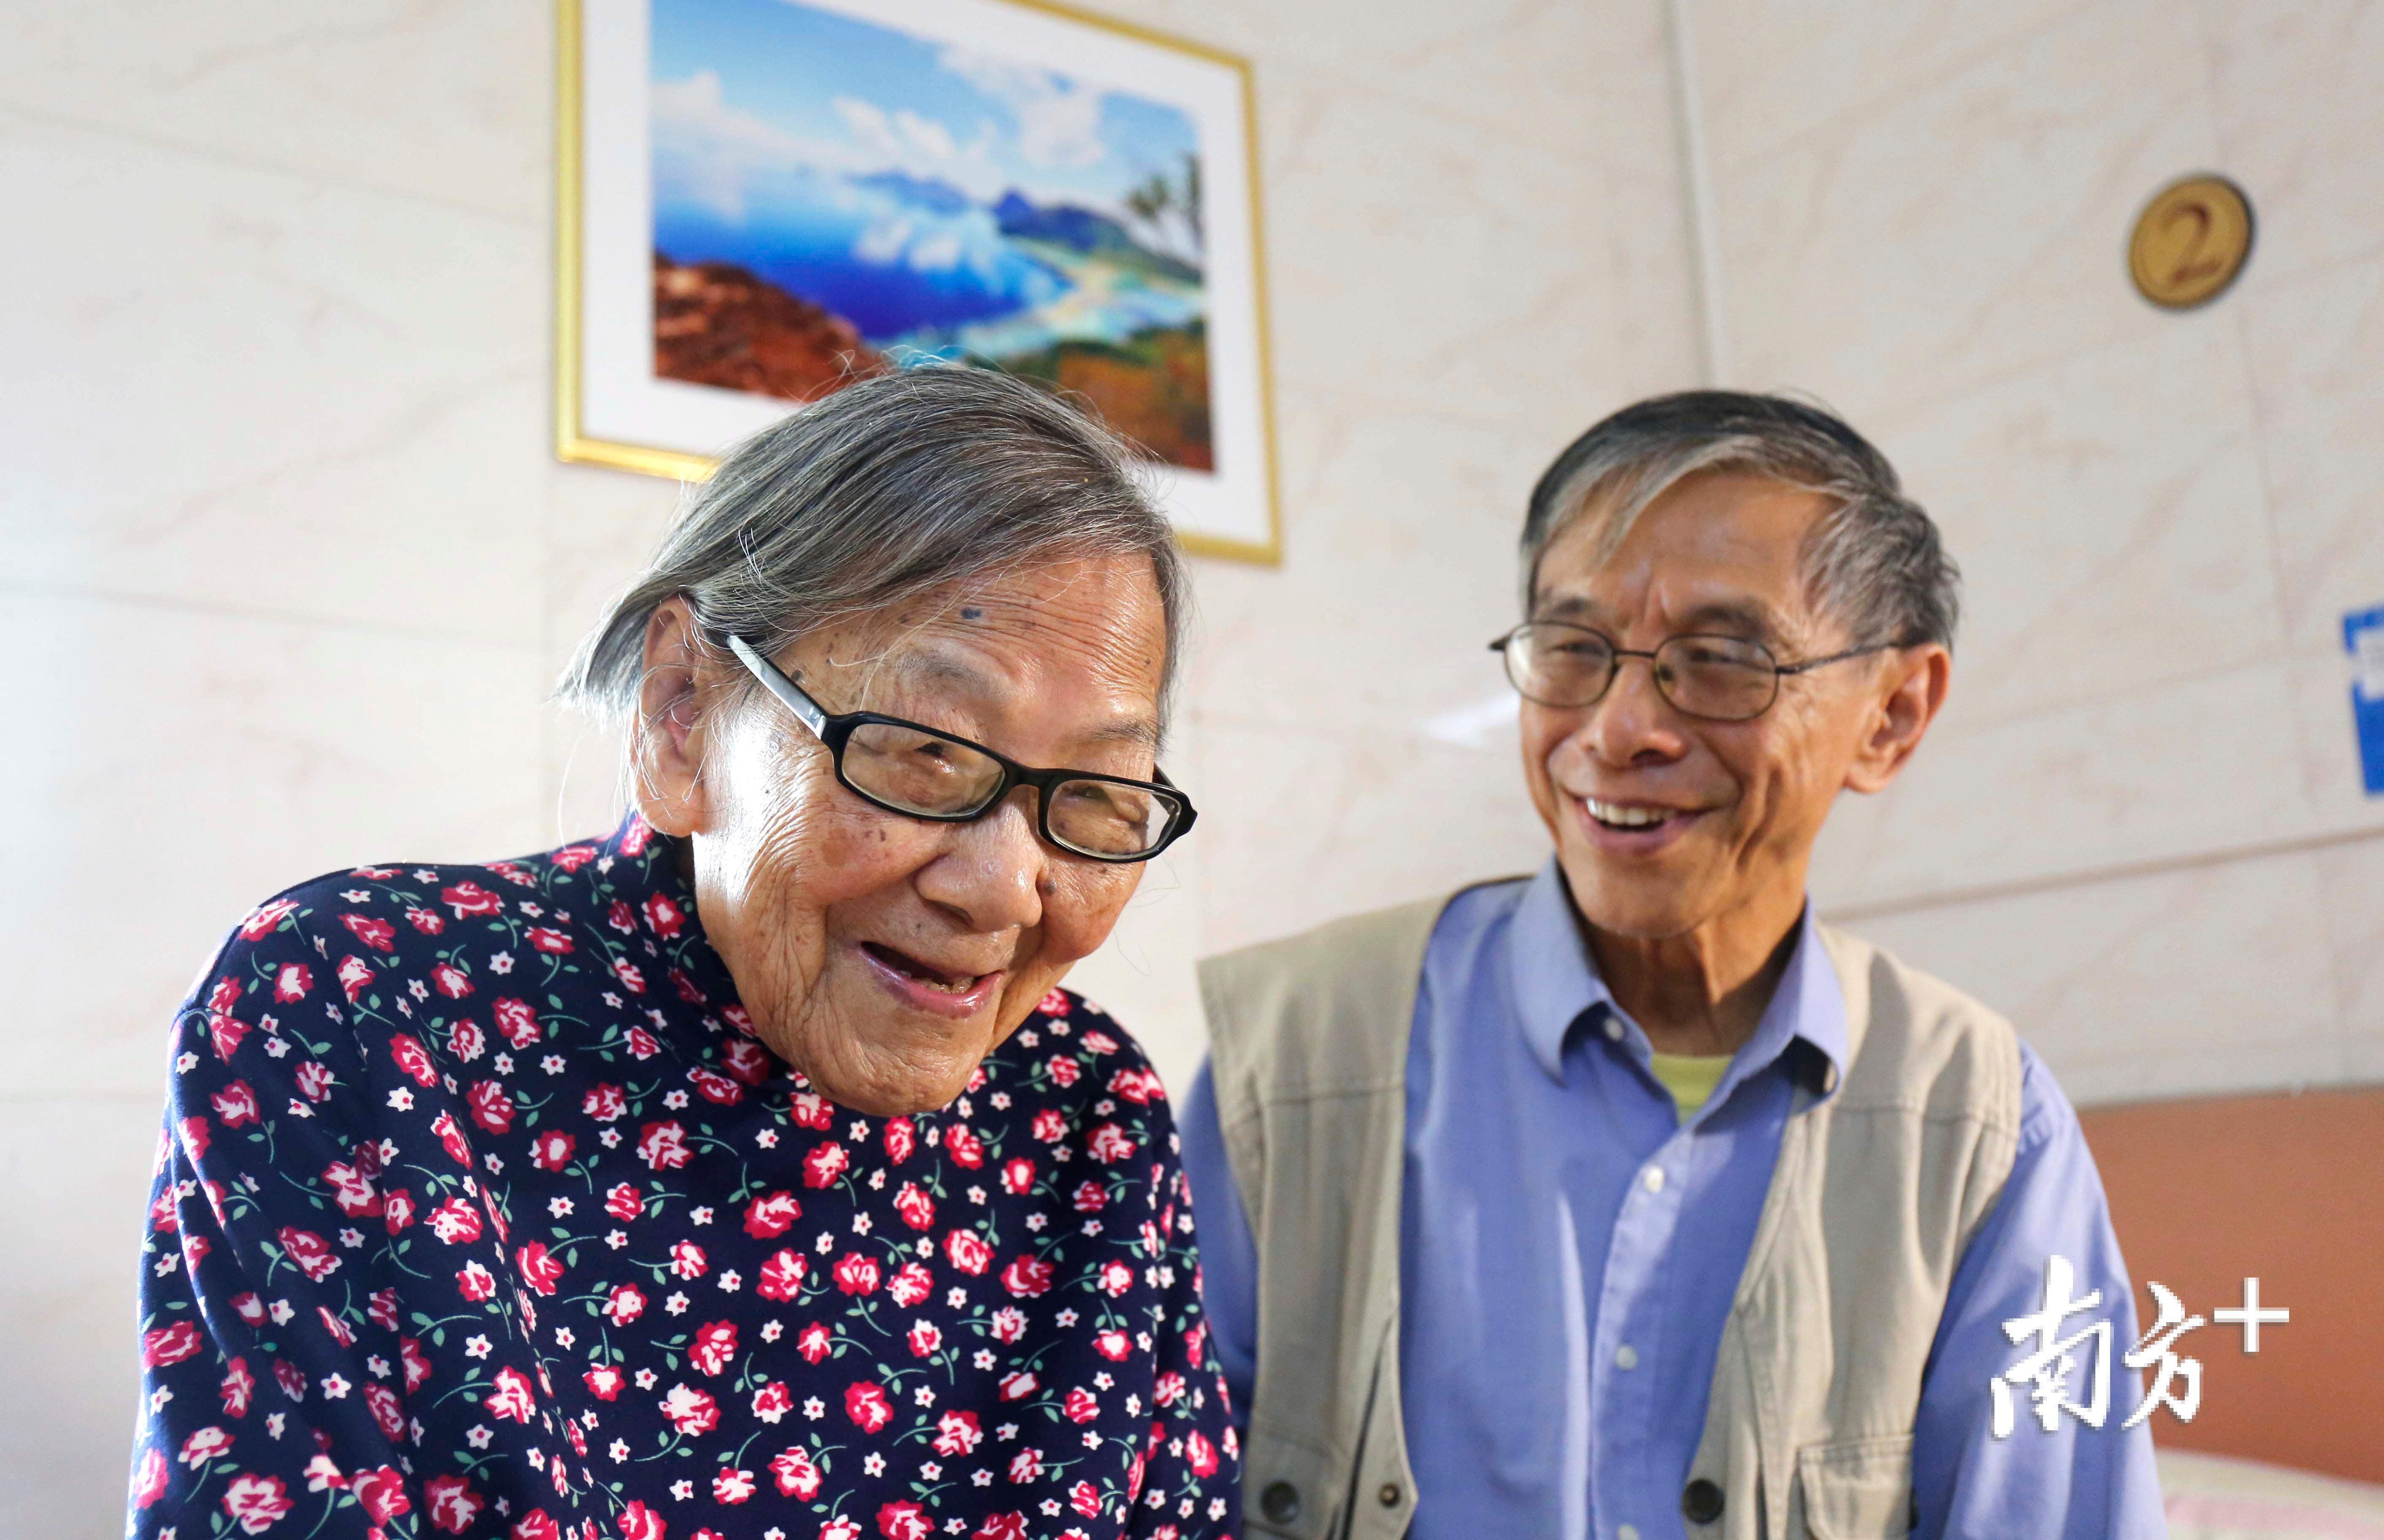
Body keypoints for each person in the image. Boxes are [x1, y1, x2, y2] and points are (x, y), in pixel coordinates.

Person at [127, 368, 1240, 1540]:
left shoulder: (1085, 1109)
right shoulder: (358, 1006)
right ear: (684, 711)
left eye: (1096, 793)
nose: (1006, 887)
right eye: (925, 751)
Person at [1180, 392, 2164, 1539]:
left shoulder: (1977, 1125)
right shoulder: (1291, 1064)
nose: (1618, 729)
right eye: (1574, 650)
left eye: (1721, 660)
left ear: (1891, 715)